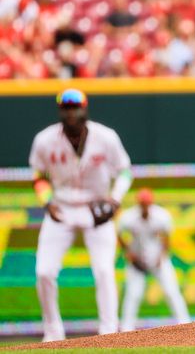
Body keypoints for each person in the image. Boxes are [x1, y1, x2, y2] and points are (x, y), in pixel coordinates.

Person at [29, 88, 132, 341]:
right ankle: (53, 333)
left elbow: (125, 172)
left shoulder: (106, 137)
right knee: (44, 271)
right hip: (61, 207)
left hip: (96, 209)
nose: (71, 112)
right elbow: (39, 176)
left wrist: (115, 200)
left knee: (104, 270)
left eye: (75, 107)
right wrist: (47, 202)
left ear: (85, 109)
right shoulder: (44, 140)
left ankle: (109, 333)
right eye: (66, 108)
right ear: (60, 111)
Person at [118, 188, 190, 332]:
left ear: (151, 203)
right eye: (142, 203)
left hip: (158, 260)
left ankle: (186, 325)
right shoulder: (128, 217)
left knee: (172, 291)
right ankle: (126, 329)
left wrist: (162, 256)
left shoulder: (161, 216)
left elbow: (166, 238)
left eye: (147, 203)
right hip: (137, 262)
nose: (145, 206)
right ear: (138, 203)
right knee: (133, 294)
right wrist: (128, 253)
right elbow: (119, 235)